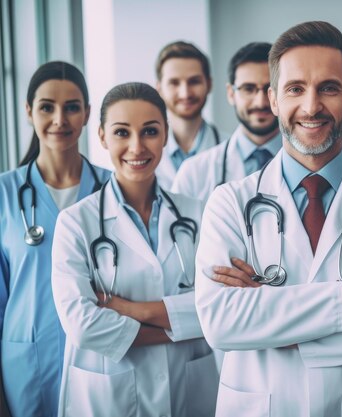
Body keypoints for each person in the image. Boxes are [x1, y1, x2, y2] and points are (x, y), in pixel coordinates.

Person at [195, 21, 342, 417]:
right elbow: (221, 324)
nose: (311, 106)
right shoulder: (229, 204)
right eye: (295, 89)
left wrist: (269, 317)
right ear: (273, 99)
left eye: (328, 88)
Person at [51, 83, 219, 416]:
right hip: (109, 394)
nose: (137, 146)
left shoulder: (199, 214)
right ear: (102, 137)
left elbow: (219, 306)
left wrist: (131, 309)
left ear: (166, 134)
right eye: (122, 132)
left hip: (189, 387)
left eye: (150, 131)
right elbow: (83, 326)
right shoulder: (75, 223)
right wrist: (178, 330)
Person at [0, 61, 109, 417]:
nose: (60, 119)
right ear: (29, 111)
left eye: (72, 107)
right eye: (47, 107)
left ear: (88, 114)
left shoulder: (113, 190)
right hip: (26, 362)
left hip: (102, 357)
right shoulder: (4, 193)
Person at [172, 42, 281, 204]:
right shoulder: (194, 172)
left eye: (269, 89)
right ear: (231, 94)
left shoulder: (310, 163)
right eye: (248, 89)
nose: (260, 102)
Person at [155, 41, 227, 189]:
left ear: (209, 84)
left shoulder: (230, 149)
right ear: (159, 89)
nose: (185, 93)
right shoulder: (144, 153)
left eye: (194, 81)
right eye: (174, 83)